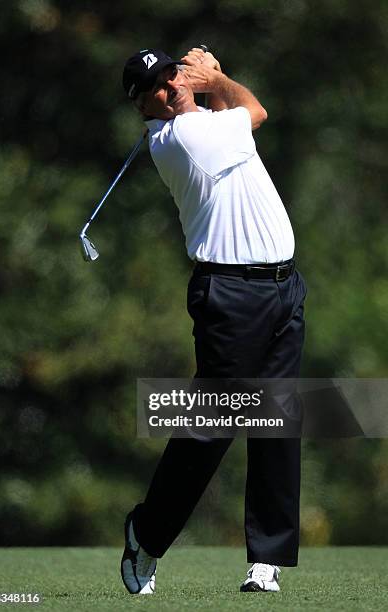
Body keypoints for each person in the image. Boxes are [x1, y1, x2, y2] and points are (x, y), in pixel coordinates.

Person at [120, 46, 307, 595]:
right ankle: (146, 534)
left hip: (283, 286)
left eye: (172, 74)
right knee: (211, 426)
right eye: (156, 85)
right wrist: (218, 77)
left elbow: (239, 112)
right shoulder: (181, 139)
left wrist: (207, 83)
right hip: (230, 294)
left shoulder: (205, 120)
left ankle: (266, 560)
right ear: (142, 106)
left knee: (277, 423)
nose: (170, 86)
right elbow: (256, 111)